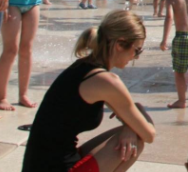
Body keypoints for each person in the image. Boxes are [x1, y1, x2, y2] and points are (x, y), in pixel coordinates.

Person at [20, 10, 155, 171]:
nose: (136, 57)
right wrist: (137, 113)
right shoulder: (107, 82)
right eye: (137, 50)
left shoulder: (83, 66)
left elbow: (133, 121)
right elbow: (149, 135)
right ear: (120, 44)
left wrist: (130, 126)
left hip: (38, 165)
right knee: (136, 141)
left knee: (130, 134)